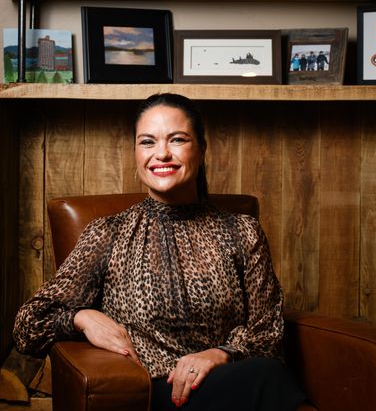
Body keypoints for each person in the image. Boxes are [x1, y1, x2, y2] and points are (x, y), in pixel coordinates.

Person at [13, 93, 305, 411]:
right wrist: (82, 317)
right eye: (148, 142)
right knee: (268, 379)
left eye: (177, 140)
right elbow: (27, 326)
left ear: (202, 148)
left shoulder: (242, 231)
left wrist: (221, 353)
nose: (161, 154)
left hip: (234, 379)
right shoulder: (109, 232)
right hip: (154, 391)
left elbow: (270, 335)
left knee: (267, 374)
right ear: (136, 152)